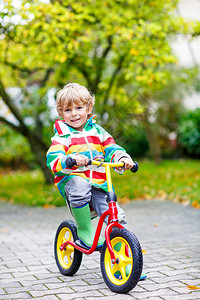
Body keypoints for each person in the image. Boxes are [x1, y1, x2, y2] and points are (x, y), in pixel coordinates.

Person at [47, 83, 146, 280]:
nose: (74, 114)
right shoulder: (63, 135)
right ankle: (84, 230)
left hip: (99, 184)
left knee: (116, 216)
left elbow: (111, 147)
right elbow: (53, 157)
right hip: (74, 183)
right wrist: (69, 160)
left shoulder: (98, 132)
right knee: (80, 184)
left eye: (78, 108)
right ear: (61, 113)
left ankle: (124, 266)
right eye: (68, 110)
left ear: (88, 108)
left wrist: (122, 159)